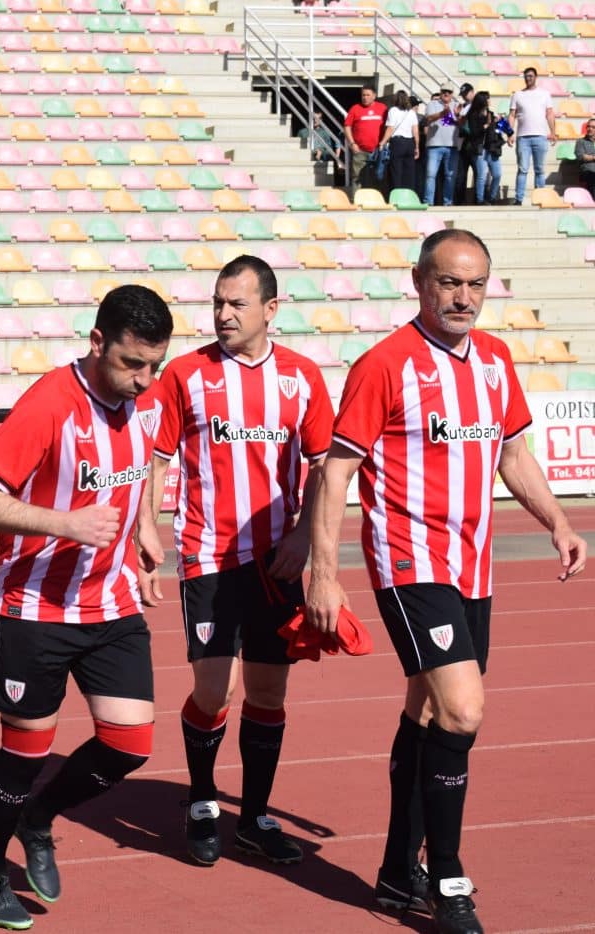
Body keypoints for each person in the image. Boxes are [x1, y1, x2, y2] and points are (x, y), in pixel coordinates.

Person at [305, 229, 588, 934]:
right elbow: (335, 472)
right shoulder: (384, 364)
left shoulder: (494, 360)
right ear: (420, 282)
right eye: (449, 283)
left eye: (475, 285)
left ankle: (399, 873)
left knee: (429, 714)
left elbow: (512, 450)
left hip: (472, 564)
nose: (464, 298)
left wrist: (557, 520)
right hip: (409, 563)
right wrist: (323, 570)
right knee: (464, 710)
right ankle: (449, 875)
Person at [0, 284, 173, 931]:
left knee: (130, 743)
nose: (144, 379)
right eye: (132, 364)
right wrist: (64, 523)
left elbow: (140, 476)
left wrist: (144, 531)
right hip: (35, 608)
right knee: (24, 751)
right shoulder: (51, 404)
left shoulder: (149, 400)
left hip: (111, 604)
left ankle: (39, 817)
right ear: (97, 342)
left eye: (154, 365)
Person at [139, 256, 335, 869]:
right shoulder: (185, 375)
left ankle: (253, 815)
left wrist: (305, 536)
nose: (223, 314)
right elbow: (158, 459)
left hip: (277, 562)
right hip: (209, 556)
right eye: (218, 302)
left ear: (270, 310)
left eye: (237, 304)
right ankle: (201, 801)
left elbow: (327, 467)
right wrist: (146, 530)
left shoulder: (302, 378)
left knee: (269, 691)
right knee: (215, 686)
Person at [509, 67, 555, 205]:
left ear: (535, 77)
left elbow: (550, 113)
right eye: (526, 76)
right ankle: (519, 199)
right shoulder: (517, 95)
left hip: (540, 136)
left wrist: (553, 132)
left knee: (539, 169)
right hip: (523, 137)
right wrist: (510, 133)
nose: (528, 78)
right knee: (522, 169)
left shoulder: (545, 94)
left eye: (530, 76)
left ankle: (539, 199)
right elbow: (511, 115)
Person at [464, 92, 511, 206]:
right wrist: (485, 125)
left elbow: (502, 125)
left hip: (492, 148)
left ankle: (492, 197)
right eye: (488, 99)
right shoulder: (473, 115)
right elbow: (474, 133)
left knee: (497, 174)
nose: (490, 101)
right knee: (482, 175)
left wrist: (510, 133)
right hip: (480, 149)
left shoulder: (491, 113)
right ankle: (480, 199)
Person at [344, 86, 388, 194]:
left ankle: (376, 200)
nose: (365, 97)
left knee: (378, 176)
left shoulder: (383, 108)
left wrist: (385, 142)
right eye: (363, 95)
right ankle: (357, 200)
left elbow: (389, 126)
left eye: (368, 95)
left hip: (378, 150)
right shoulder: (355, 108)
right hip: (360, 150)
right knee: (357, 176)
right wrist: (352, 143)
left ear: (374, 96)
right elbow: (347, 126)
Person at [422, 87, 461, 206]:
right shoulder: (432, 104)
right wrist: (442, 114)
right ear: (440, 92)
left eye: (449, 92)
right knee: (430, 174)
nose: (446, 93)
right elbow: (427, 119)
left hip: (452, 146)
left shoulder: (457, 105)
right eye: (444, 91)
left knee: (450, 176)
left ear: (452, 93)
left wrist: (458, 115)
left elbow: (462, 123)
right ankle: (429, 202)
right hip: (434, 145)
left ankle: (448, 202)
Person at [380, 90, 421, 196]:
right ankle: (409, 196)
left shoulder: (393, 110)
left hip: (397, 142)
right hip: (410, 143)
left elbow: (390, 128)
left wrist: (382, 142)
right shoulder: (411, 112)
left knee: (396, 172)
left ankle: (396, 196)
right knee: (409, 173)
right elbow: (415, 131)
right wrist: (417, 147)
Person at [297, 111, 343, 186]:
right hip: (305, 161)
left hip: (320, 161)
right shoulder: (302, 132)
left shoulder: (325, 133)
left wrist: (321, 152)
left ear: (322, 120)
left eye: (319, 118)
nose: (315, 120)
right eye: (313, 118)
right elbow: (297, 149)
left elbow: (329, 151)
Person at [575, 118, 595, 199]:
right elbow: (581, 156)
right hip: (588, 172)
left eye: (593, 127)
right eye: (588, 126)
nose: (590, 129)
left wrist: (589, 157)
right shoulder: (581, 141)